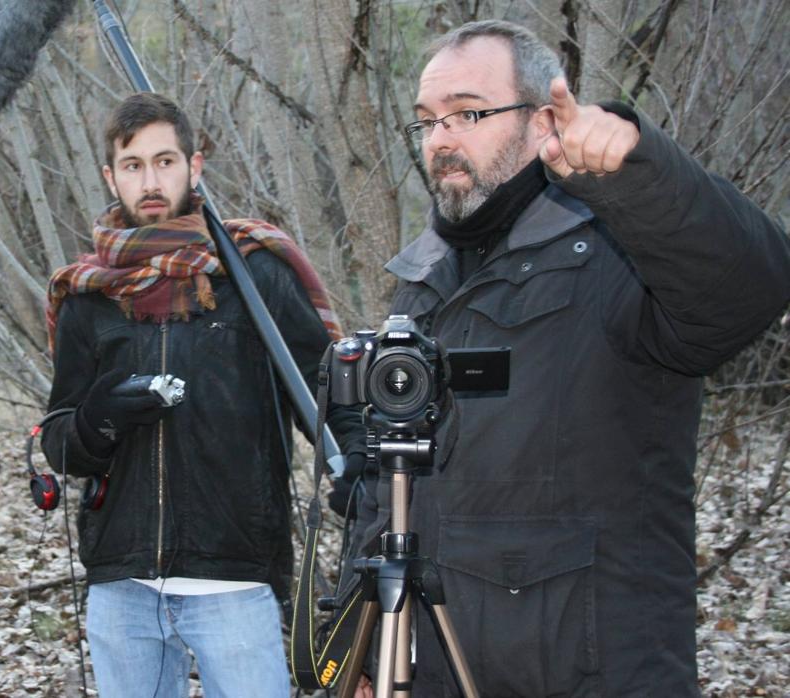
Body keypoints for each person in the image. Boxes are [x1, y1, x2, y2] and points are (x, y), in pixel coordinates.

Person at [342, 20, 790, 697]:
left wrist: (639, 175)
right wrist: (363, 636)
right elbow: (387, 484)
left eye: (468, 114)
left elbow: (750, 289)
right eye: (428, 121)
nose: (441, 140)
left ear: (545, 118)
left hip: (591, 672)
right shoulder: (424, 279)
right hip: (433, 665)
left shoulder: (619, 254)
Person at [41, 92, 364, 697]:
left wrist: (361, 464)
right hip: (123, 581)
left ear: (195, 165)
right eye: (133, 165)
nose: (151, 180)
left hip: (234, 577)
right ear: (112, 176)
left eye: (166, 161)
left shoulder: (252, 273)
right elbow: (61, 442)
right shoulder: (88, 296)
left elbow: (326, 395)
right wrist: (98, 420)